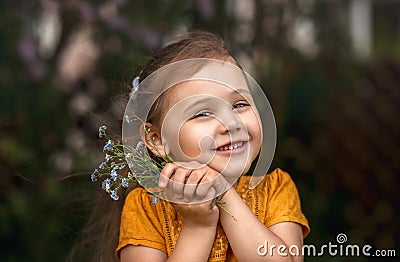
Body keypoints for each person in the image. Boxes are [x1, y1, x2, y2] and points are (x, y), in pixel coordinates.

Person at [100, 30, 309, 261]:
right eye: (203, 113)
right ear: (157, 140)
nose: (231, 123)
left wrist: (223, 192)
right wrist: (198, 227)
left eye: (239, 104)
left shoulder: (275, 189)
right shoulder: (146, 207)